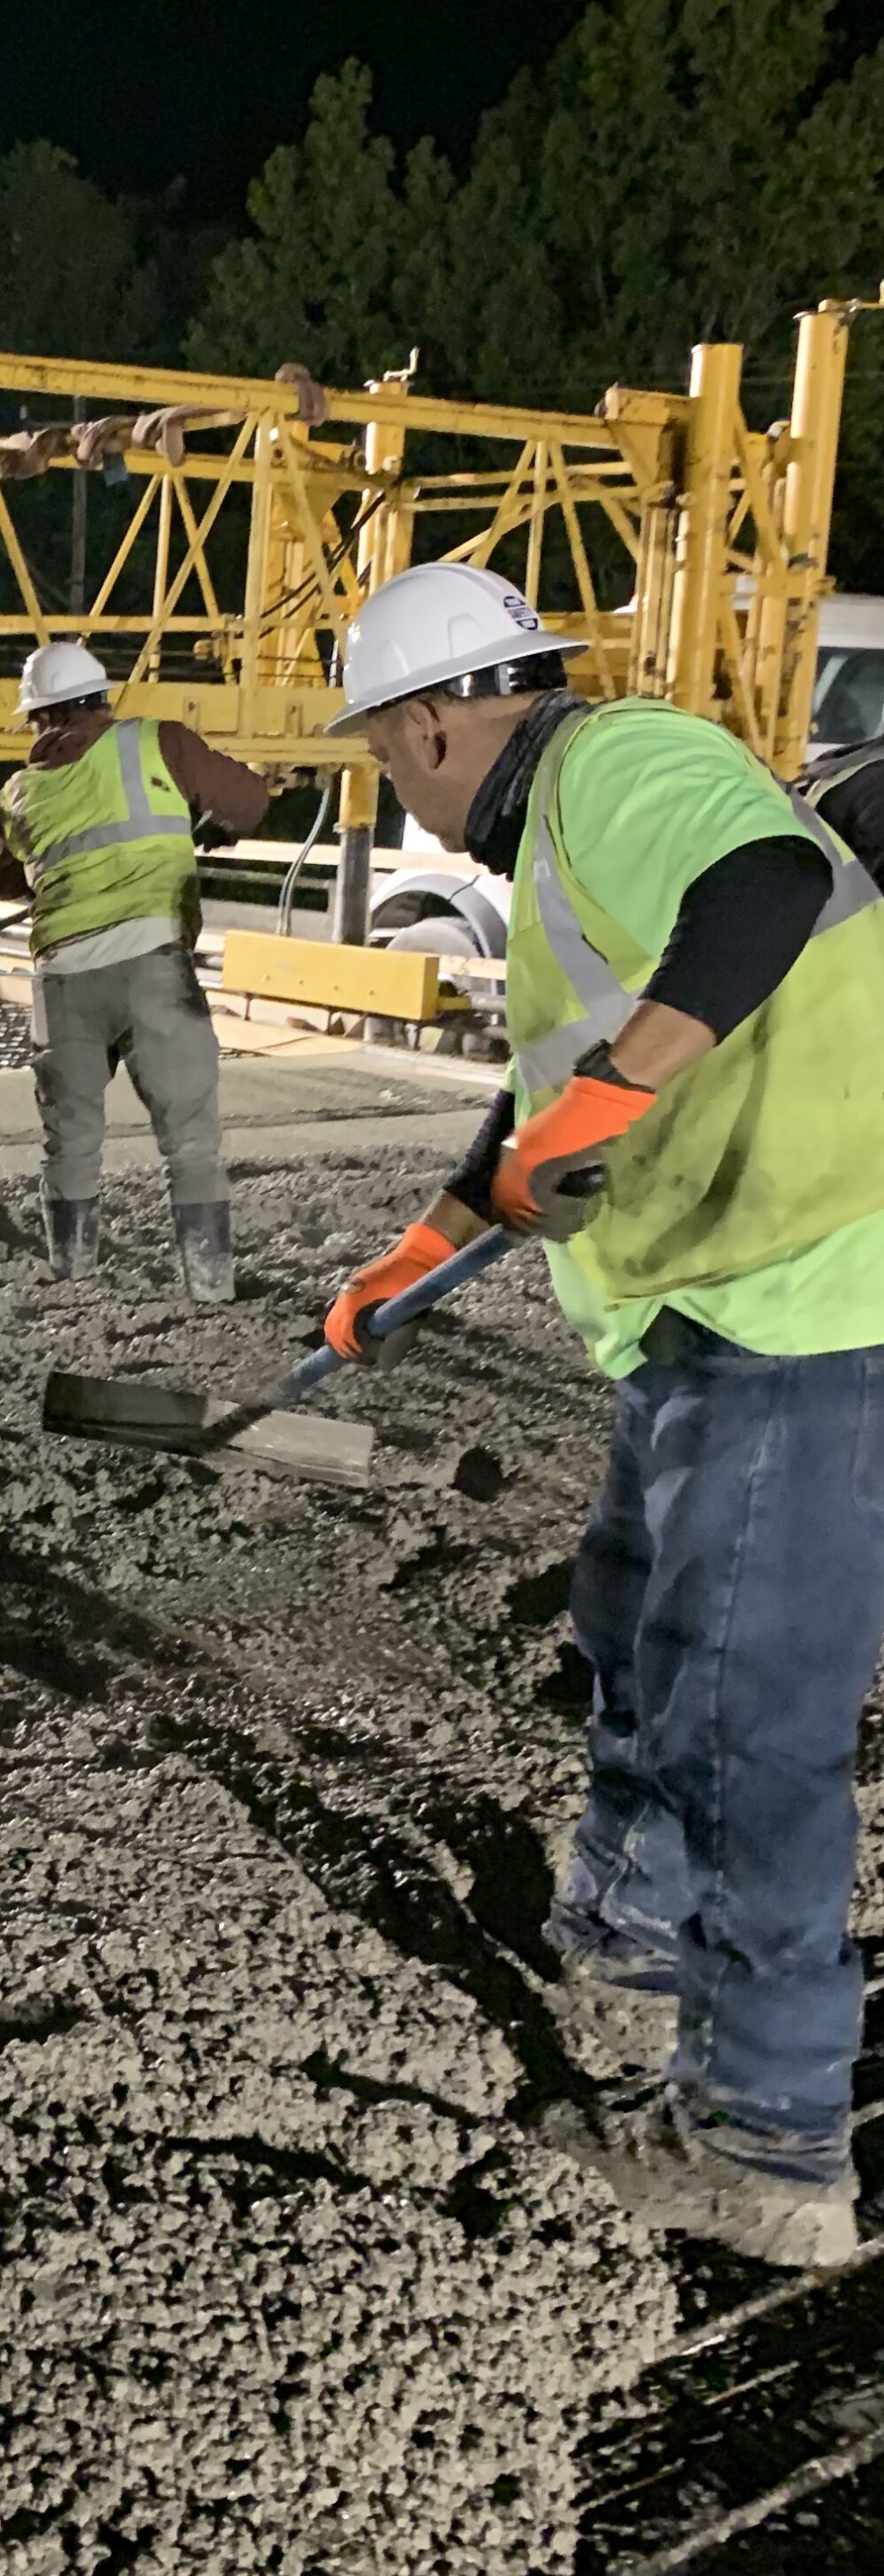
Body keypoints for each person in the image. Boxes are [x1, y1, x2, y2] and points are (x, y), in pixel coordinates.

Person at [322, 559, 884, 2268]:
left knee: (743, 1720)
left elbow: (768, 880)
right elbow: (555, 1093)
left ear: (434, 722)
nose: (392, 786)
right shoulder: (566, 845)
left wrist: (622, 1089)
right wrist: (426, 1245)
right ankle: (638, 1929)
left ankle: (768, 2146)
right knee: (631, 1615)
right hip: (706, 1305)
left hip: (812, 1301)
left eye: (381, 752)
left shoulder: (620, 765)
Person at [0, 642, 268, 1299]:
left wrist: (38, 874)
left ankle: (72, 1278)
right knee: (190, 1141)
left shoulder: (18, 792)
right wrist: (210, 822)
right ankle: (209, 1288)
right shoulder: (160, 742)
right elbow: (249, 801)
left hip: (63, 983)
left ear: (42, 717)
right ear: (101, 699)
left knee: (70, 1142)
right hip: (153, 968)